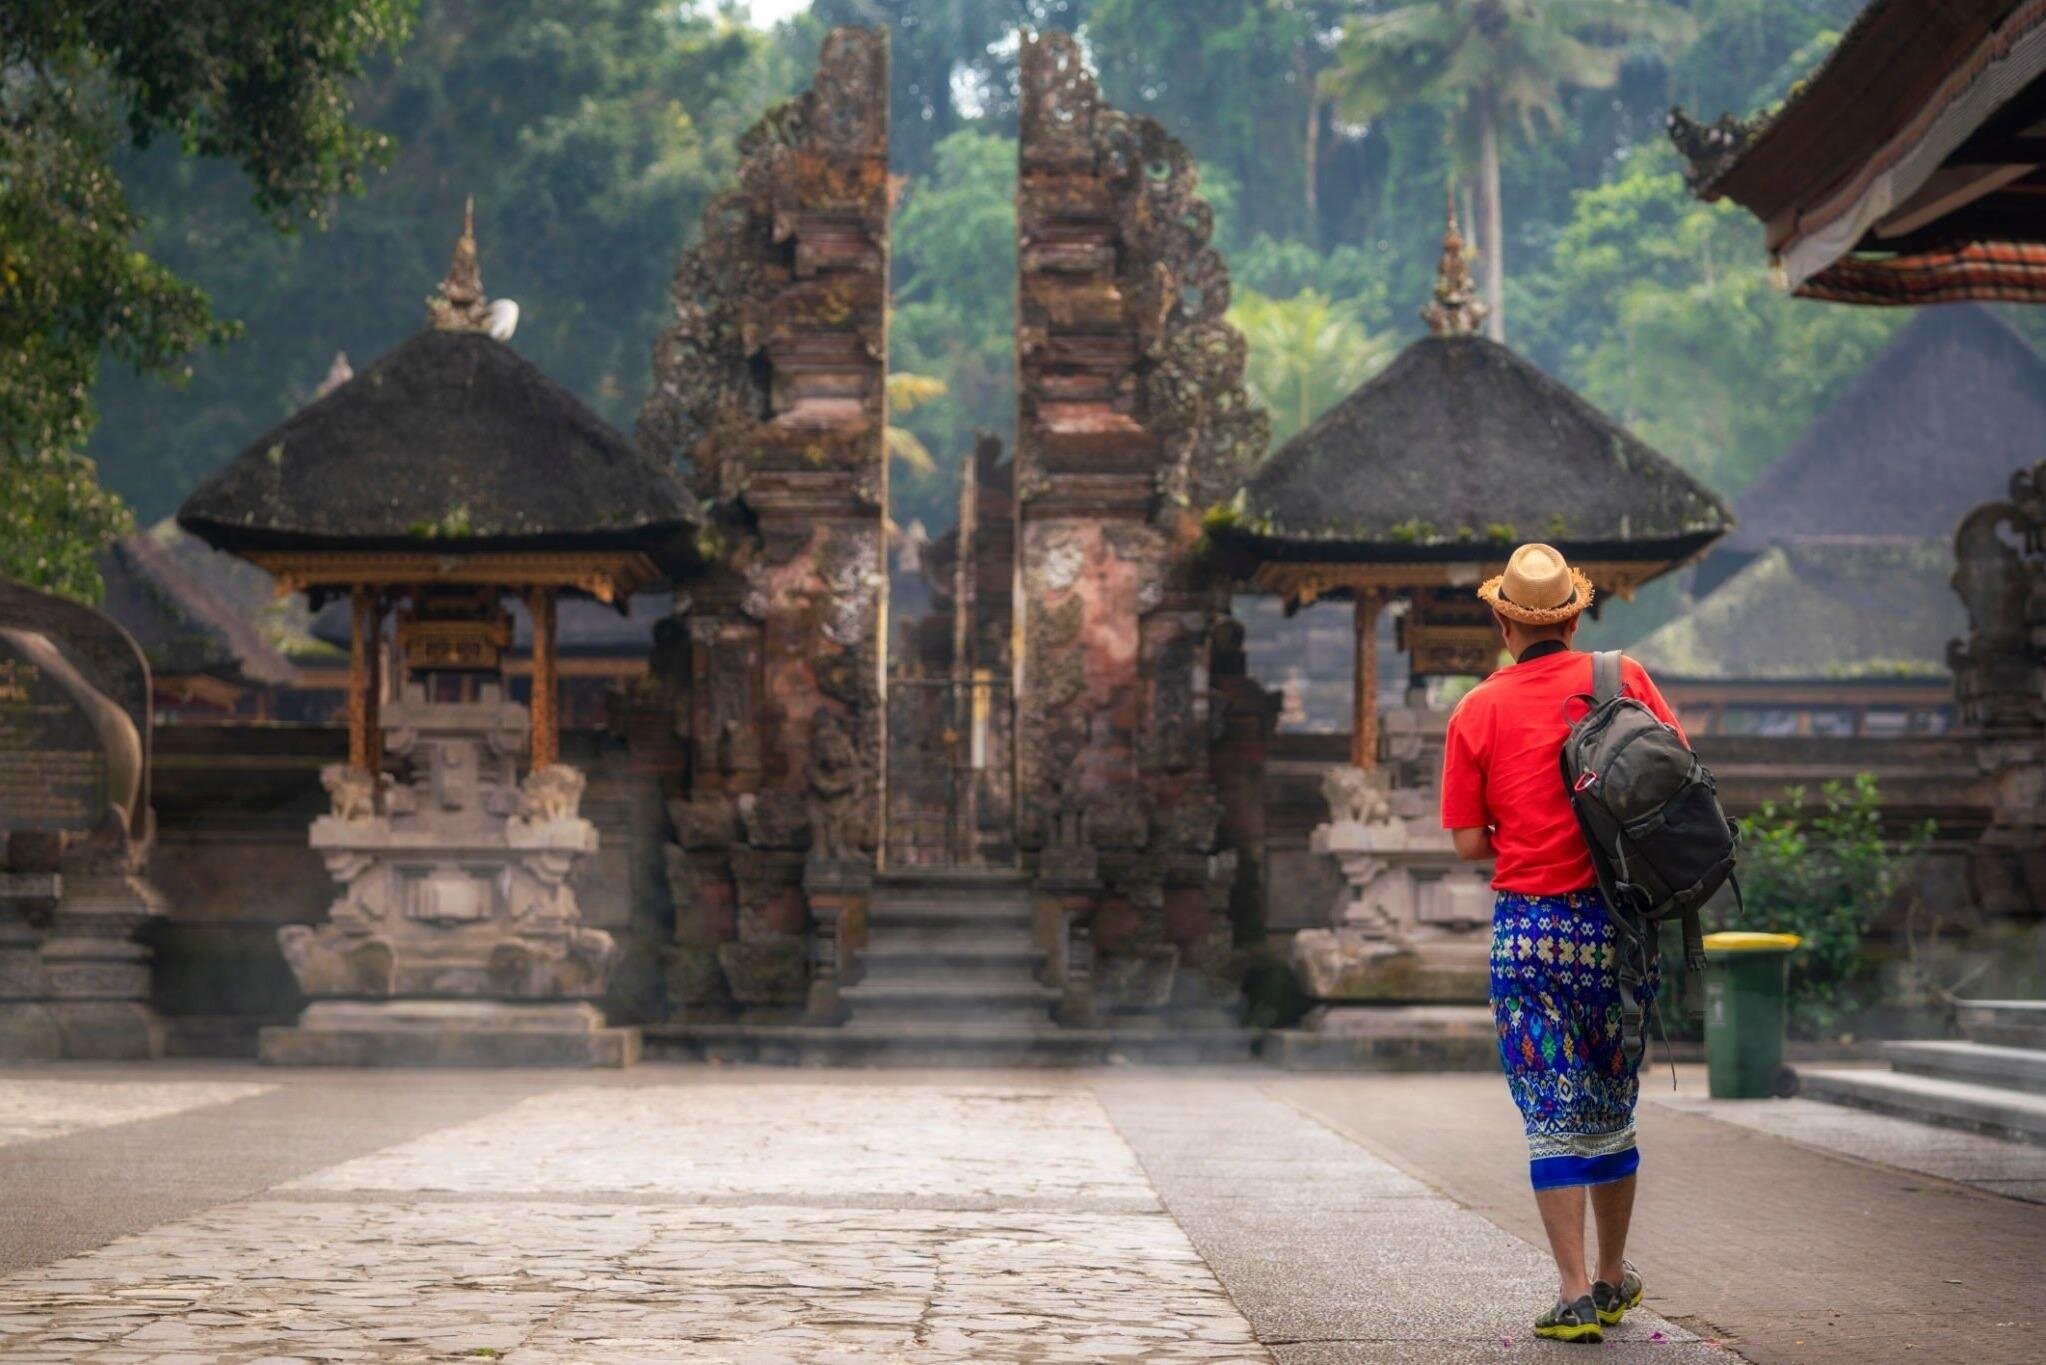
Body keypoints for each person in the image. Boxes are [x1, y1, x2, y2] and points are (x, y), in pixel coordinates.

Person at [1440, 542, 1685, 1345]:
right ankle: (1613, 1278)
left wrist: (1522, 828)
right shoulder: (1624, 679)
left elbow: (1468, 844)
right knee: (1613, 1102)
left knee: (1552, 1109)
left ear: (1503, 621)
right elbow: (1676, 780)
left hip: (1529, 936)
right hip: (1616, 929)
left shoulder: (1477, 709)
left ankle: (1573, 1293)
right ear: (1575, 619)